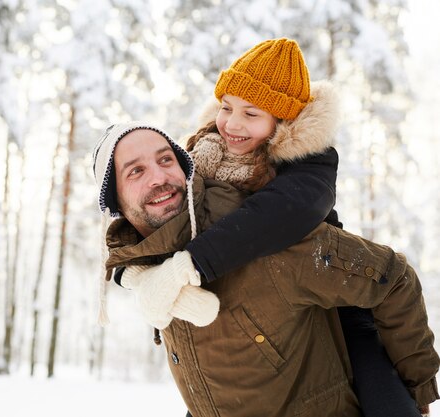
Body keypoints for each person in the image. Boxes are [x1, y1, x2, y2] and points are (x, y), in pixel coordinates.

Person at [109, 38, 428, 417]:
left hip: (338, 296)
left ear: (282, 121)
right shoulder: (205, 152)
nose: (232, 123)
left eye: (252, 113)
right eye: (226, 107)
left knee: (386, 397)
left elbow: (276, 215)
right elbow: (164, 218)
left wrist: (188, 265)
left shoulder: (307, 164)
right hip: (243, 348)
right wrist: (133, 274)